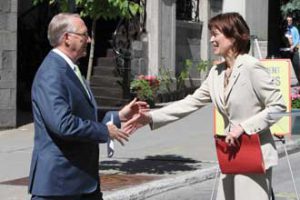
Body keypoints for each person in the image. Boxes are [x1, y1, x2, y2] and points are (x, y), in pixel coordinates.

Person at [124, 12, 287, 200]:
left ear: (233, 37)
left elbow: (278, 107)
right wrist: (151, 117)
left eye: (216, 34)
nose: (211, 40)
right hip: (231, 154)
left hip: (254, 155)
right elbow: (191, 102)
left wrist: (244, 127)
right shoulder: (216, 72)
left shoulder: (252, 67)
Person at [28, 13, 148, 200]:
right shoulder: (52, 73)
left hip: (81, 182)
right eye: (84, 35)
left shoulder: (69, 68)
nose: (90, 39)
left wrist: (118, 116)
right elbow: (63, 124)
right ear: (67, 38)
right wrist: (105, 131)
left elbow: (82, 114)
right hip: (60, 186)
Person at [286, 15, 300, 80]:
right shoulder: (284, 29)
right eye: (288, 20)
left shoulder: (295, 29)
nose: (289, 22)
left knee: (297, 66)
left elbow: (298, 39)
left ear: (292, 21)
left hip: (294, 50)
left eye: (290, 20)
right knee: (285, 67)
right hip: (286, 51)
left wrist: (293, 46)